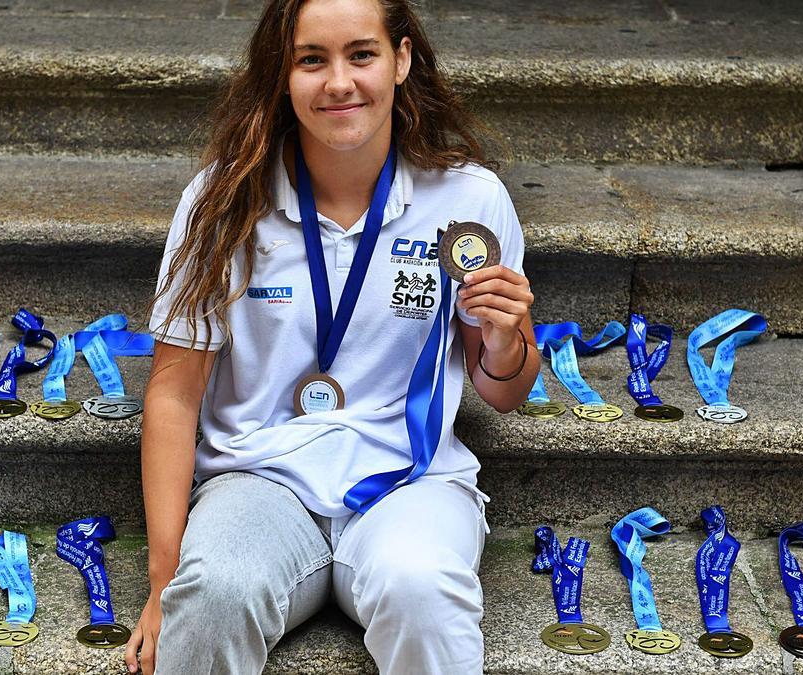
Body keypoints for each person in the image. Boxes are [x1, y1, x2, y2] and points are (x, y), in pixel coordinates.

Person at [128, 0, 538, 672]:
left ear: (401, 60)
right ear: (281, 76)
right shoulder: (223, 201)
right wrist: (162, 581)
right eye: (311, 59)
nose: (339, 81)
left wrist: (502, 342)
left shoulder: (469, 198)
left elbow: (505, 391)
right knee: (211, 598)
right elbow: (173, 394)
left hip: (410, 484)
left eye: (362, 54)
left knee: (425, 592)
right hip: (258, 483)